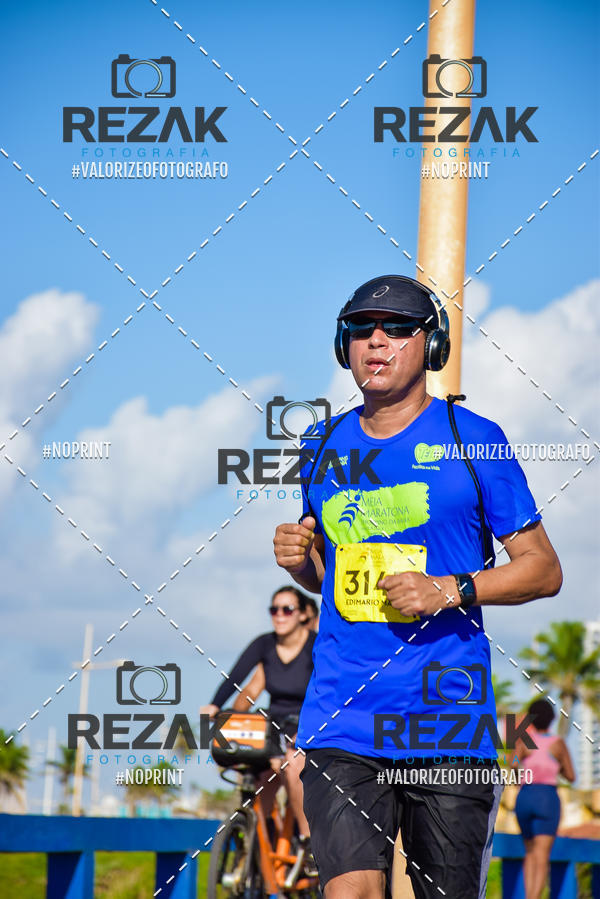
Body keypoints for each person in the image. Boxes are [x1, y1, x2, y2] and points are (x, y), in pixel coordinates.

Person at [273, 274, 563, 899]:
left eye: (398, 328)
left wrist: (448, 589)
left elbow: (542, 568)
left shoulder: (474, 439)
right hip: (343, 722)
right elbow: (338, 582)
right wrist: (303, 566)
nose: (377, 342)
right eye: (360, 330)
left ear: (430, 345)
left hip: (446, 723)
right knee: (349, 891)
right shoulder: (320, 446)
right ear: (342, 346)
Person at [201, 585, 315, 842]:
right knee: (258, 774)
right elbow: (237, 679)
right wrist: (216, 705)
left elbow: (327, 690)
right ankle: (258, 844)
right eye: (274, 610)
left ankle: (308, 841)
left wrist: (309, 729)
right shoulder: (264, 644)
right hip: (274, 723)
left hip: (306, 721)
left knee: (293, 766)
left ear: (302, 616)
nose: (280, 615)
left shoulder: (315, 646)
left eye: (287, 609)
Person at [513, 698, 575, 899]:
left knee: (529, 853)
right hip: (546, 798)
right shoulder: (557, 743)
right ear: (552, 718)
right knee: (541, 856)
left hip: (525, 797)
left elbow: (513, 766)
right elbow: (571, 776)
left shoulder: (523, 741)